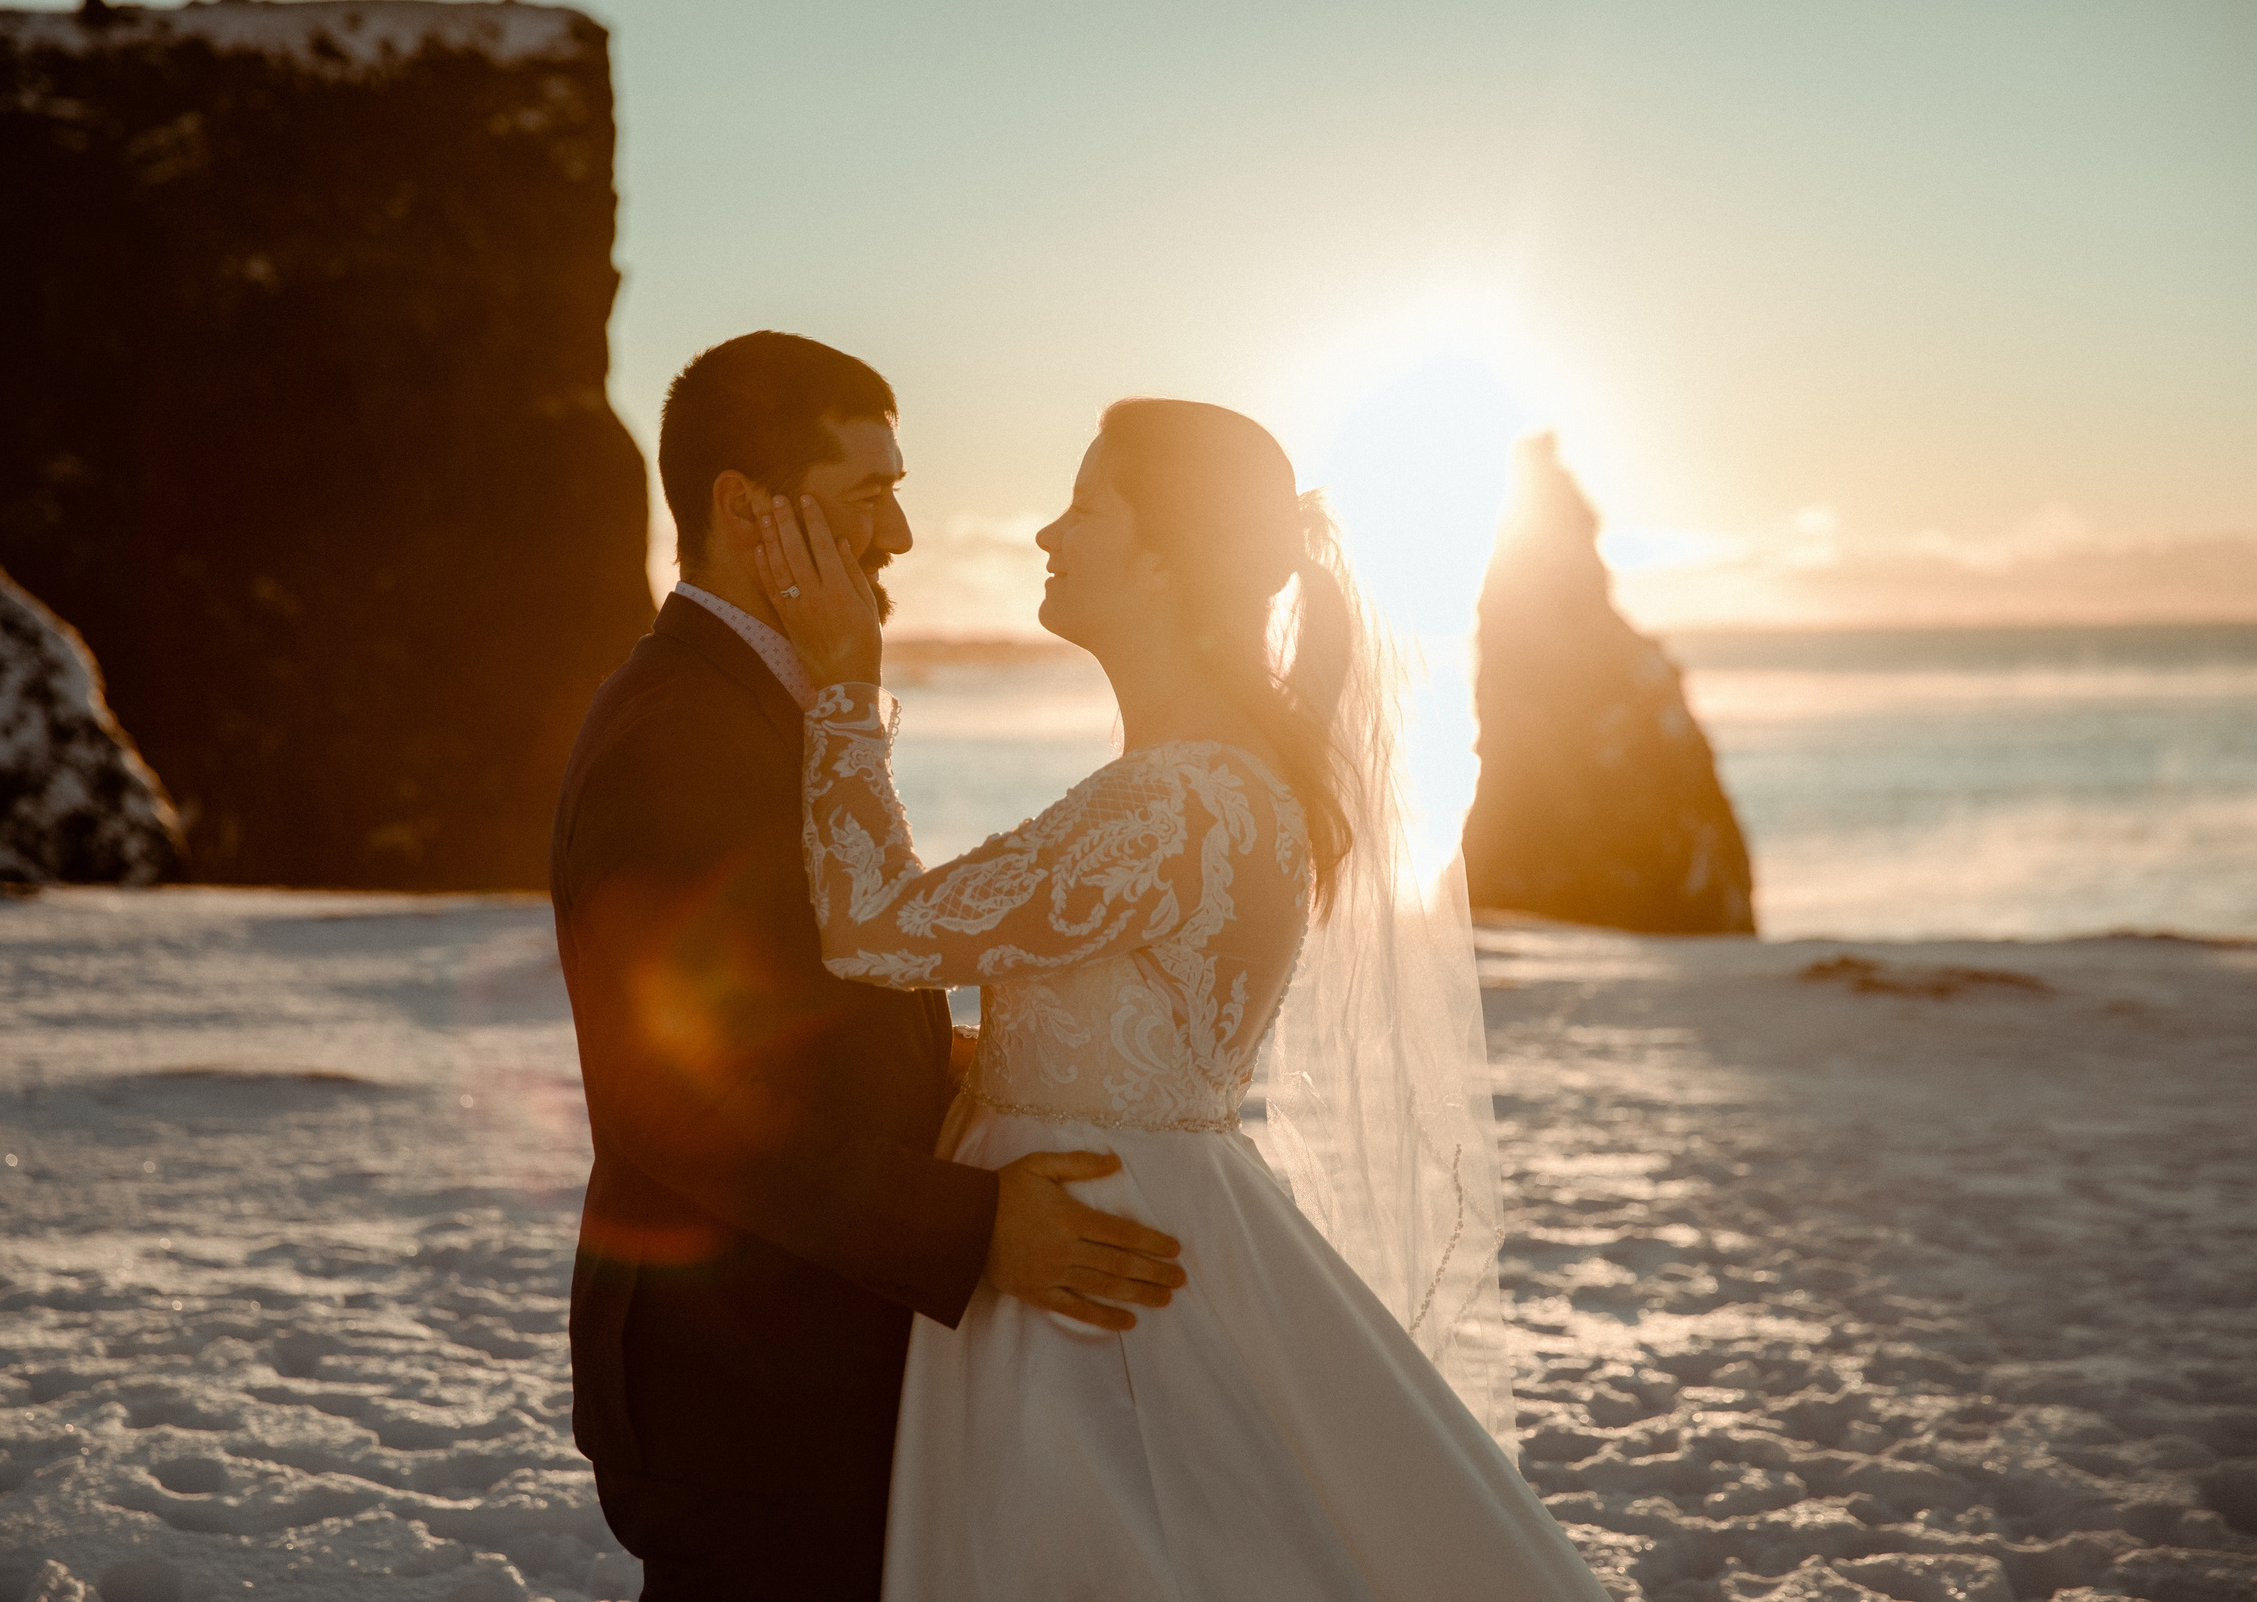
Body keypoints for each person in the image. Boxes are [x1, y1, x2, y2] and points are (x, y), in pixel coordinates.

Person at [755, 398, 1612, 1599]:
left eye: (1088, 504)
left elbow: (869, 930)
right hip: (1131, 1213)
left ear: (1168, 559)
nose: (1049, 532)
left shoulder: (1173, 803)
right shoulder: (1218, 782)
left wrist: (844, 691)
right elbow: (1089, 1015)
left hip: (1086, 1273)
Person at [550, 333, 1189, 1599]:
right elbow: (664, 1095)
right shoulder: (678, 732)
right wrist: (972, 1229)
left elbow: (807, 1017)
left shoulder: (770, 704)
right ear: (744, 509)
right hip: (743, 1392)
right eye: (866, 496)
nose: (898, 535)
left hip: (806, 1363)